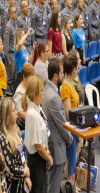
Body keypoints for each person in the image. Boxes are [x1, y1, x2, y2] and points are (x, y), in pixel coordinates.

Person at [42, 58, 73, 193]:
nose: (63, 76)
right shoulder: (53, 97)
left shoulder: (46, 89)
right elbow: (62, 125)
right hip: (56, 146)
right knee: (54, 187)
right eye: (61, 73)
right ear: (55, 76)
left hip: (52, 144)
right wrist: (70, 139)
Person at [22, 76, 53, 193]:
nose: (43, 93)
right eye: (41, 91)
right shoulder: (33, 114)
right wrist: (49, 158)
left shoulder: (38, 108)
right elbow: (38, 146)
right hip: (35, 161)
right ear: (35, 94)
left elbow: (45, 132)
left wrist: (47, 151)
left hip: (41, 157)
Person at [0, 97, 32, 193]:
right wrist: (25, 172)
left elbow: (23, 154)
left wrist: (26, 176)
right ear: (6, 115)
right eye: (13, 111)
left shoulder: (16, 128)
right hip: (11, 187)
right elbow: (10, 169)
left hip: (22, 183)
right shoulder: (1, 139)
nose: (16, 112)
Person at [60, 55, 80, 186]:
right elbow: (68, 115)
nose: (78, 69)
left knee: (72, 162)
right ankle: (67, 186)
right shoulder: (65, 87)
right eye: (77, 67)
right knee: (69, 163)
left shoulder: (71, 83)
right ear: (73, 70)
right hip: (70, 130)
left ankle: (71, 185)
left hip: (76, 128)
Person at [12, 63, 35, 131]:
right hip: (26, 124)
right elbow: (20, 113)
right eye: (31, 78)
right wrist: (35, 118)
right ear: (24, 76)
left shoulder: (29, 87)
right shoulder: (19, 93)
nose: (32, 80)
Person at [4, 6, 17, 96]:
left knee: (14, 78)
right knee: (10, 79)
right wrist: (7, 60)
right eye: (14, 12)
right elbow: (6, 45)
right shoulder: (8, 26)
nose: (16, 13)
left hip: (15, 55)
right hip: (10, 55)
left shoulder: (14, 24)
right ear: (10, 14)